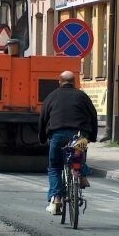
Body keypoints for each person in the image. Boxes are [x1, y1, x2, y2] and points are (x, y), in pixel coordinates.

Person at [38, 70, 98, 215]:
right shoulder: (82, 96)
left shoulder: (51, 96)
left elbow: (43, 118)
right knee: (78, 155)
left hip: (57, 135)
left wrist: (42, 138)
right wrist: (92, 136)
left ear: (59, 82)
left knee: (55, 167)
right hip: (79, 135)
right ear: (75, 82)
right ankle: (81, 174)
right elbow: (93, 116)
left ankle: (57, 198)